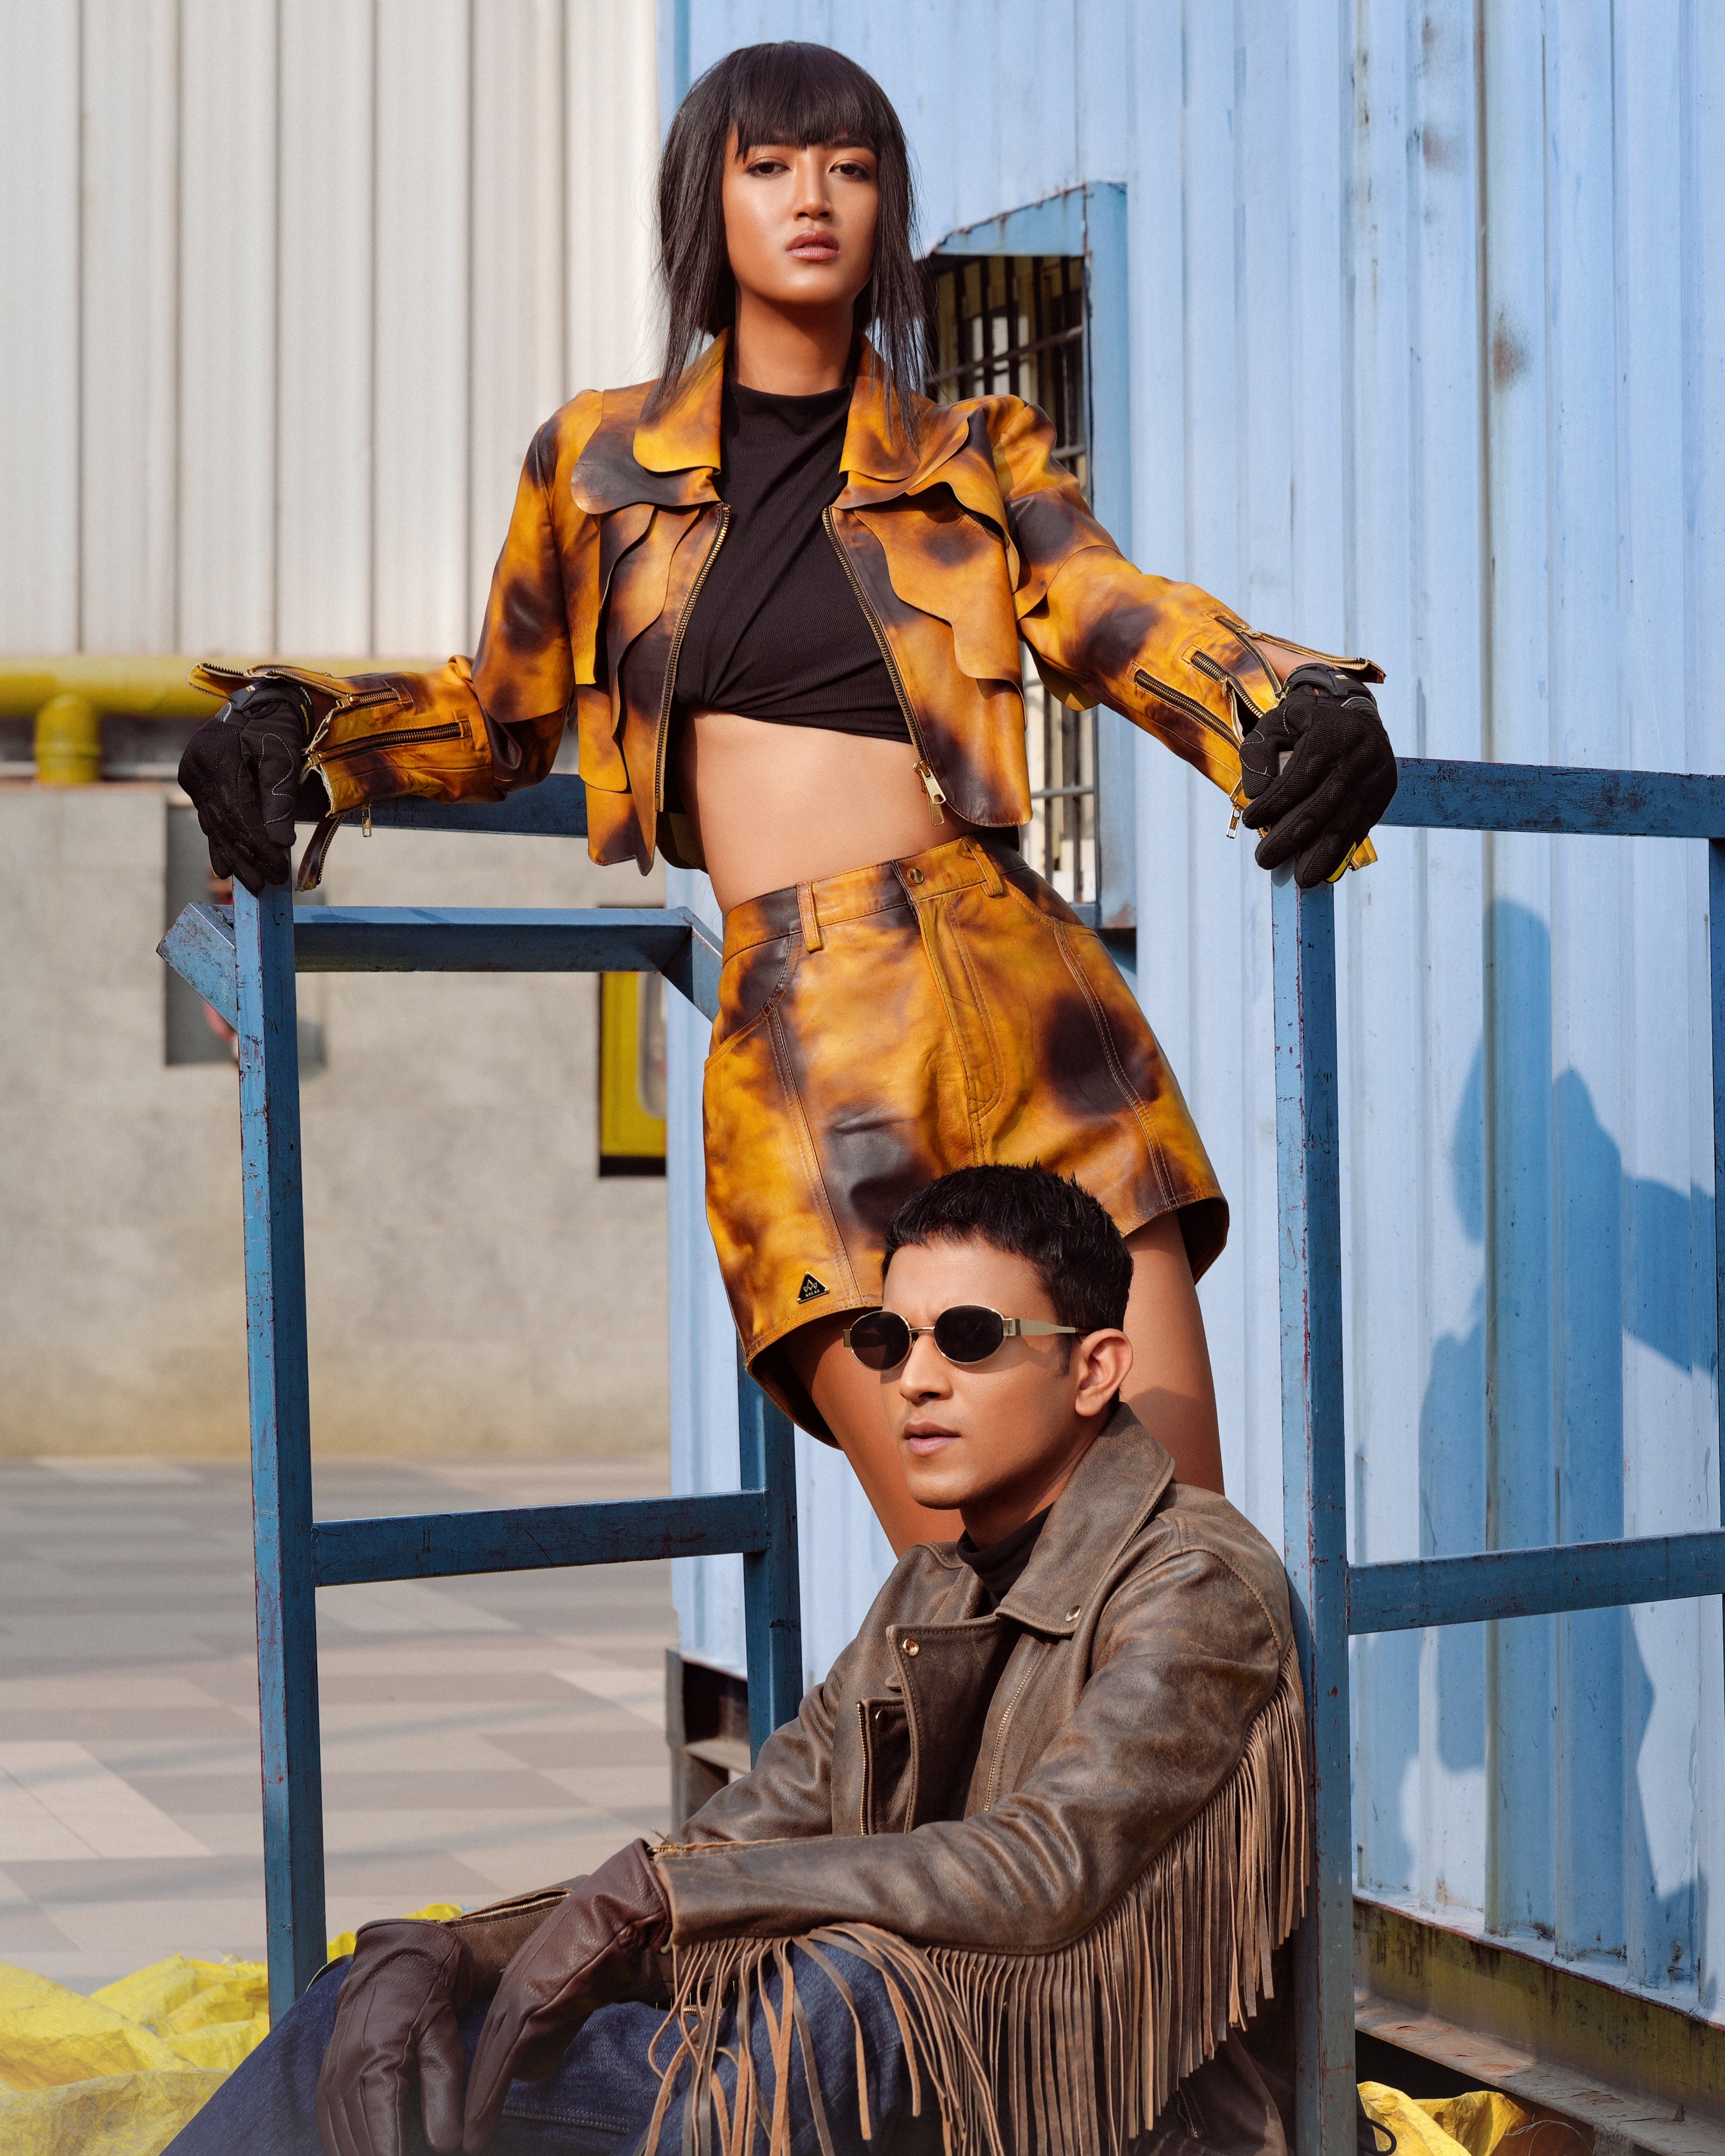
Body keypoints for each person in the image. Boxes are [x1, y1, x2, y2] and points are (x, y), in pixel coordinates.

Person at [175, 42, 1395, 1548]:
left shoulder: (974, 455)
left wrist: (1291, 699)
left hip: (1025, 998)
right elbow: (502, 713)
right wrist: (299, 726)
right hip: (806, 1039)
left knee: (1175, 1549)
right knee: (971, 1563)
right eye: (768, 165)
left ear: (886, 208)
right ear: (709, 201)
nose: (812, 196)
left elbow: (1110, 610)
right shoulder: (595, 466)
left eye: (850, 167)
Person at [166, 1165, 1308, 2156]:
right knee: (376, 2003)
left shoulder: (1195, 1582)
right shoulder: (933, 1586)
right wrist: (473, 1948)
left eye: (967, 1337)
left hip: (1091, 2112)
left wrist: (674, 1899)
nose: (913, 1379)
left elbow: (1046, 1867)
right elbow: (745, 1834)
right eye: (888, 1340)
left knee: (850, 1991)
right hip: (865, 2080)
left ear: (1095, 1368)